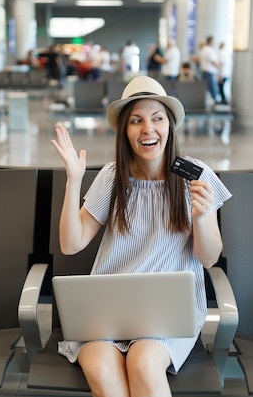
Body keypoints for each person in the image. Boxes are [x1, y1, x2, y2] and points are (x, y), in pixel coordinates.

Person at [51, 75, 232, 397]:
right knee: (102, 370)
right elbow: (70, 243)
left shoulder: (196, 176)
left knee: (144, 364)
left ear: (169, 126)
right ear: (125, 132)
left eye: (157, 118)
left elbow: (208, 258)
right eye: (136, 121)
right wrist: (73, 181)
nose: (148, 128)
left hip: (168, 317)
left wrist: (202, 217)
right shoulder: (112, 177)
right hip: (107, 313)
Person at [198, 36, 221, 103]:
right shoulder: (209, 50)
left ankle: (206, 102)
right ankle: (215, 102)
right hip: (209, 73)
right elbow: (213, 61)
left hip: (204, 72)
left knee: (205, 89)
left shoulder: (203, 49)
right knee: (213, 89)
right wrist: (219, 68)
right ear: (211, 42)